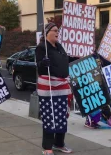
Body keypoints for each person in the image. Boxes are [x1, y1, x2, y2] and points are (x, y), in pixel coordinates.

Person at [36, 23, 77, 155]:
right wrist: (43, 63)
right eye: (55, 30)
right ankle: (47, 147)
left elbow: (66, 60)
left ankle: (59, 143)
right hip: (49, 88)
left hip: (62, 87)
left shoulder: (59, 47)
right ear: (47, 33)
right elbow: (39, 67)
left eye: (58, 30)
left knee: (62, 116)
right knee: (50, 116)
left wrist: (78, 57)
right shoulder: (42, 48)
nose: (57, 32)